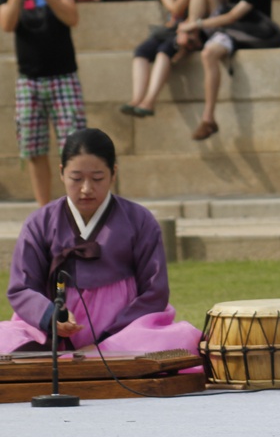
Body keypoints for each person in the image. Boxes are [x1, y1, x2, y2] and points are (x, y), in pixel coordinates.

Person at [0, 127, 201, 356]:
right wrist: (51, 316)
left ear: (113, 173)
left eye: (97, 178)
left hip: (123, 334)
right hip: (50, 333)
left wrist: (108, 339)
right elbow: (21, 287)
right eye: (76, 178)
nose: (86, 189)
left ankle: (101, 352)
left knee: (182, 341)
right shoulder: (40, 223)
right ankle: (68, 354)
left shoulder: (139, 220)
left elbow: (155, 291)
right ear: (62, 172)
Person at [0, 0, 86, 207]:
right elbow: (7, 24)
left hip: (64, 77)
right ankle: (44, 210)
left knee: (74, 147)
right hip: (29, 81)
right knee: (33, 148)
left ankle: (76, 207)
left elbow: (72, 18)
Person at [175, 0, 280, 140]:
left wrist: (195, 24)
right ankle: (192, 38)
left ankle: (208, 118)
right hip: (227, 32)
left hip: (250, 34)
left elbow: (232, 17)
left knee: (208, 52)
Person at [122, 0, 220, 117]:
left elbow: (217, 1)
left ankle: (149, 101)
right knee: (141, 51)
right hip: (174, 28)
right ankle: (137, 98)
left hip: (196, 29)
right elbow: (175, 9)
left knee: (164, 51)